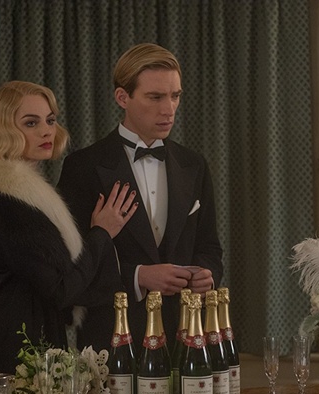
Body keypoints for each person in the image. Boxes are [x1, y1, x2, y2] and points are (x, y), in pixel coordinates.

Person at [0, 81, 138, 394]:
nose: (46, 130)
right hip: (11, 356)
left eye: (50, 120)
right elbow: (61, 289)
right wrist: (101, 233)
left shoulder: (16, 196)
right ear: (4, 129)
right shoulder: (8, 202)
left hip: (19, 345)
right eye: (31, 122)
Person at [59, 43, 224, 351]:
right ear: (123, 97)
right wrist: (138, 277)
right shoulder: (83, 166)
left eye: (175, 96)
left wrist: (208, 274)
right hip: (112, 339)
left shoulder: (194, 164)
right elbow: (72, 268)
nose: (169, 109)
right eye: (155, 97)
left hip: (184, 336)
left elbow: (209, 247)